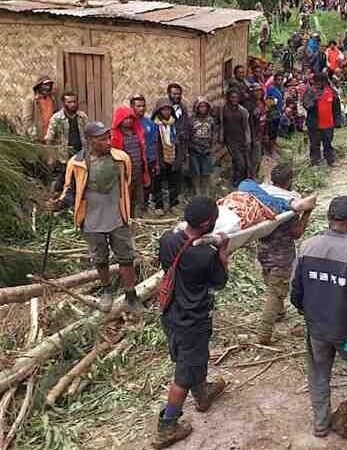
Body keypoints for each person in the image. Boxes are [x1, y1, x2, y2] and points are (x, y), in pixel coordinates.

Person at [290, 196, 347, 438]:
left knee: (319, 371)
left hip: (317, 331)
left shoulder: (307, 246)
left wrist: (308, 313)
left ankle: (320, 424)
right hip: (346, 335)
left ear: (329, 218)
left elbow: (295, 291)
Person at [153, 197, 230, 449]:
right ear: (207, 223)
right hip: (192, 321)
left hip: (171, 315)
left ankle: (202, 393)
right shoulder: (205, 255)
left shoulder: (167, 240)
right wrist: (222, 252)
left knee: (191, 358)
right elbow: (219, 282)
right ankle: (167, 425)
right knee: (183, 375)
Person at [47, 122, 142, 312]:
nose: (108, 142)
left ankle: (131, 295)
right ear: (90, 141)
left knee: (126, 257)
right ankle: (107, 291)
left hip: (116, 215)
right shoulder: (76, 163)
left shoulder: (121, 159)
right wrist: (58, 204)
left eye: (108, 138)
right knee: (100, 257)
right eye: (102, 139)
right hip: (91, 218)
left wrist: (128, 211)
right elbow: (70, 191)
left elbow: (128, 182)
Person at [257, 164, 314, 344]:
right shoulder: (292, 201)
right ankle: (264, 333)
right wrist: (307, 213)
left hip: (263, 251)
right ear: (289, 181)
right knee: (276, 291)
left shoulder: (263, 194)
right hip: (281, 255)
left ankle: (279, 313)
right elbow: (296, 233)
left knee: (272, 285)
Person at [111, 106, 150, 217]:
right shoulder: (115, 135)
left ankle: (137, 217)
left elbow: (142, 149)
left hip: (138, 169)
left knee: (139, 195)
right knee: (125, 195)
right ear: (120, 120)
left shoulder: (137, 132)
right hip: (124, 172)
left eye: (130, 118)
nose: (128, 121)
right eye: (125, 118)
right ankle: (126, 216)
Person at [152, 99, 184, 213]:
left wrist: (179, 158)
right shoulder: (154, 125)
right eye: (164, 109)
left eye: (169, 109)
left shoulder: (175, 124)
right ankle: (159, 205)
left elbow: (180, 142)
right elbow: (154, 144)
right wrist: (158, 161)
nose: (166, 112)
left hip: (174, 156)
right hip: (160, 158)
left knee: (174, 182)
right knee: (158, 182)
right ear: (158, 111)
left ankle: (173, 203)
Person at [303, 73, 341, 166]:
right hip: (314, 124)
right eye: (317, 81)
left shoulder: (331, 91)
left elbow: (336, 107)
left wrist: (337, 121)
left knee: (328, 143)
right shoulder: (310, 92)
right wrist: (315, 101)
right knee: (314, 144)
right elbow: (306, 105)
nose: (319, 84)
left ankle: (330, 160)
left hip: (328, 124)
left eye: (321, 81)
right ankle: (315, 162)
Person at [130, 95, 159, 211]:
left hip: (149, 159)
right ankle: (132, 210)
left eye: (143, 106)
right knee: (134, 186)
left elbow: (155, 143)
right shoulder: (128, 123)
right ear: (132, 107)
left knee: (148, 185)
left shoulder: (150, 123)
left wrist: (156, 161)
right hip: (134, 161)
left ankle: (144, 208)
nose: (141, 108)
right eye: (138, 106)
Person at [219, 90, 252, 185]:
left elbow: (246, 126)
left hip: (241, 138)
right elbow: (221, 123)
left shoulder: (242, 111)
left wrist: (248, 140)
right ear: (229, 98)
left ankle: (239, 179)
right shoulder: (224, 109)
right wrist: (221, 136)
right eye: (232, 97)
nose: (234, 99)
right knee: (239, 161)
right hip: (230, 139)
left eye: (236, 97)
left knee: (243, 161)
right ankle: (238, 180)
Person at [44, 92, 88, 160]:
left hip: (81, 155)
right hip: (63, 158)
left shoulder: (82, 117)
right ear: (64, 103)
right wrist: (51, 157)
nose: (73, 104)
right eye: (69, 102)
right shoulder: (56, 118)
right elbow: (49, 139)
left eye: (74, 101)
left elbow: (88, 135)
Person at [189, 98, 217, 198]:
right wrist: (191, 146)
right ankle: (197, 192)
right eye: (200, 106)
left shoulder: (210, 120)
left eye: (205, 106)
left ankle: (206, 192)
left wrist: (212, 146)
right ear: (196, 108)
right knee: (196, 172)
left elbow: (213, 133)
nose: (203, 109)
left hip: (207, 150)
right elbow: (189, 134)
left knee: (206, 172)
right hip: (195, 149)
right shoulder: (192, 120)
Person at [22, 75, 58, 142]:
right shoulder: (30, 100)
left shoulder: (52, 99)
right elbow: (27, 120)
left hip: (50, 136)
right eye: (45, 85)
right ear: (38, 86)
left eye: (49, 85)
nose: (47, 87)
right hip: (37, 136)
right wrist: (33, 136)